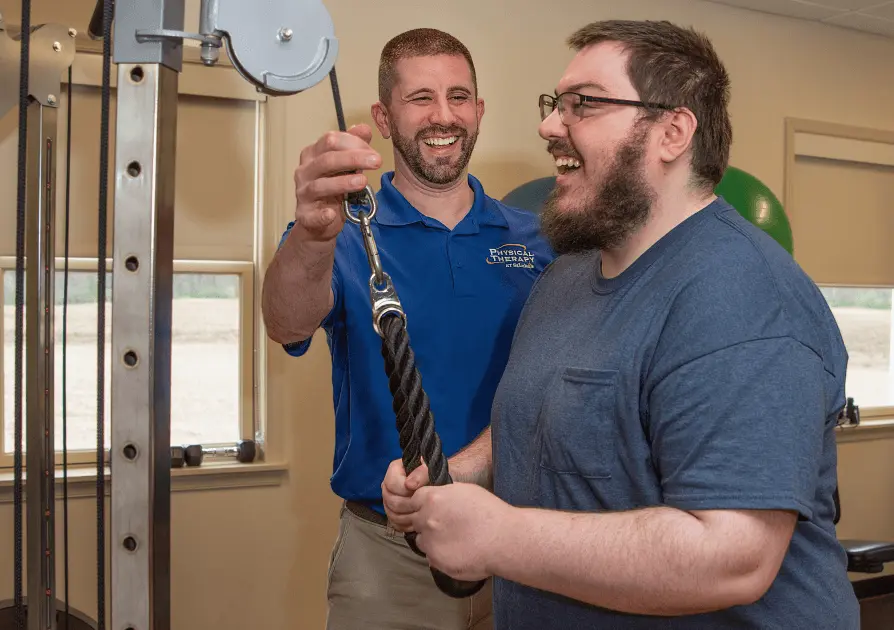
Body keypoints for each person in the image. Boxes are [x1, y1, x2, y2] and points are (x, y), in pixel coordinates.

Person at [382, 19, 861, 630]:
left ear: (672, 131)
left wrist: (500, 536)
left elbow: (732, 558)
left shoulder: (744, 301)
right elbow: (552, 416)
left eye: (583, 104)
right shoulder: (566, 276)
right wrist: (461, 472)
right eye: (556, 103)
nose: (549, 124)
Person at [260, 27, 555, 630]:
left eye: (459, 96)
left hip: (522, 545)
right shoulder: (339, 234)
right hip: (390, 559)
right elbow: (285, 320)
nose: (443, 115)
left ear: (479, 110)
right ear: (384, 117)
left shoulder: (537, 239)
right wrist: (313, 236)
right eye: (420, 98)